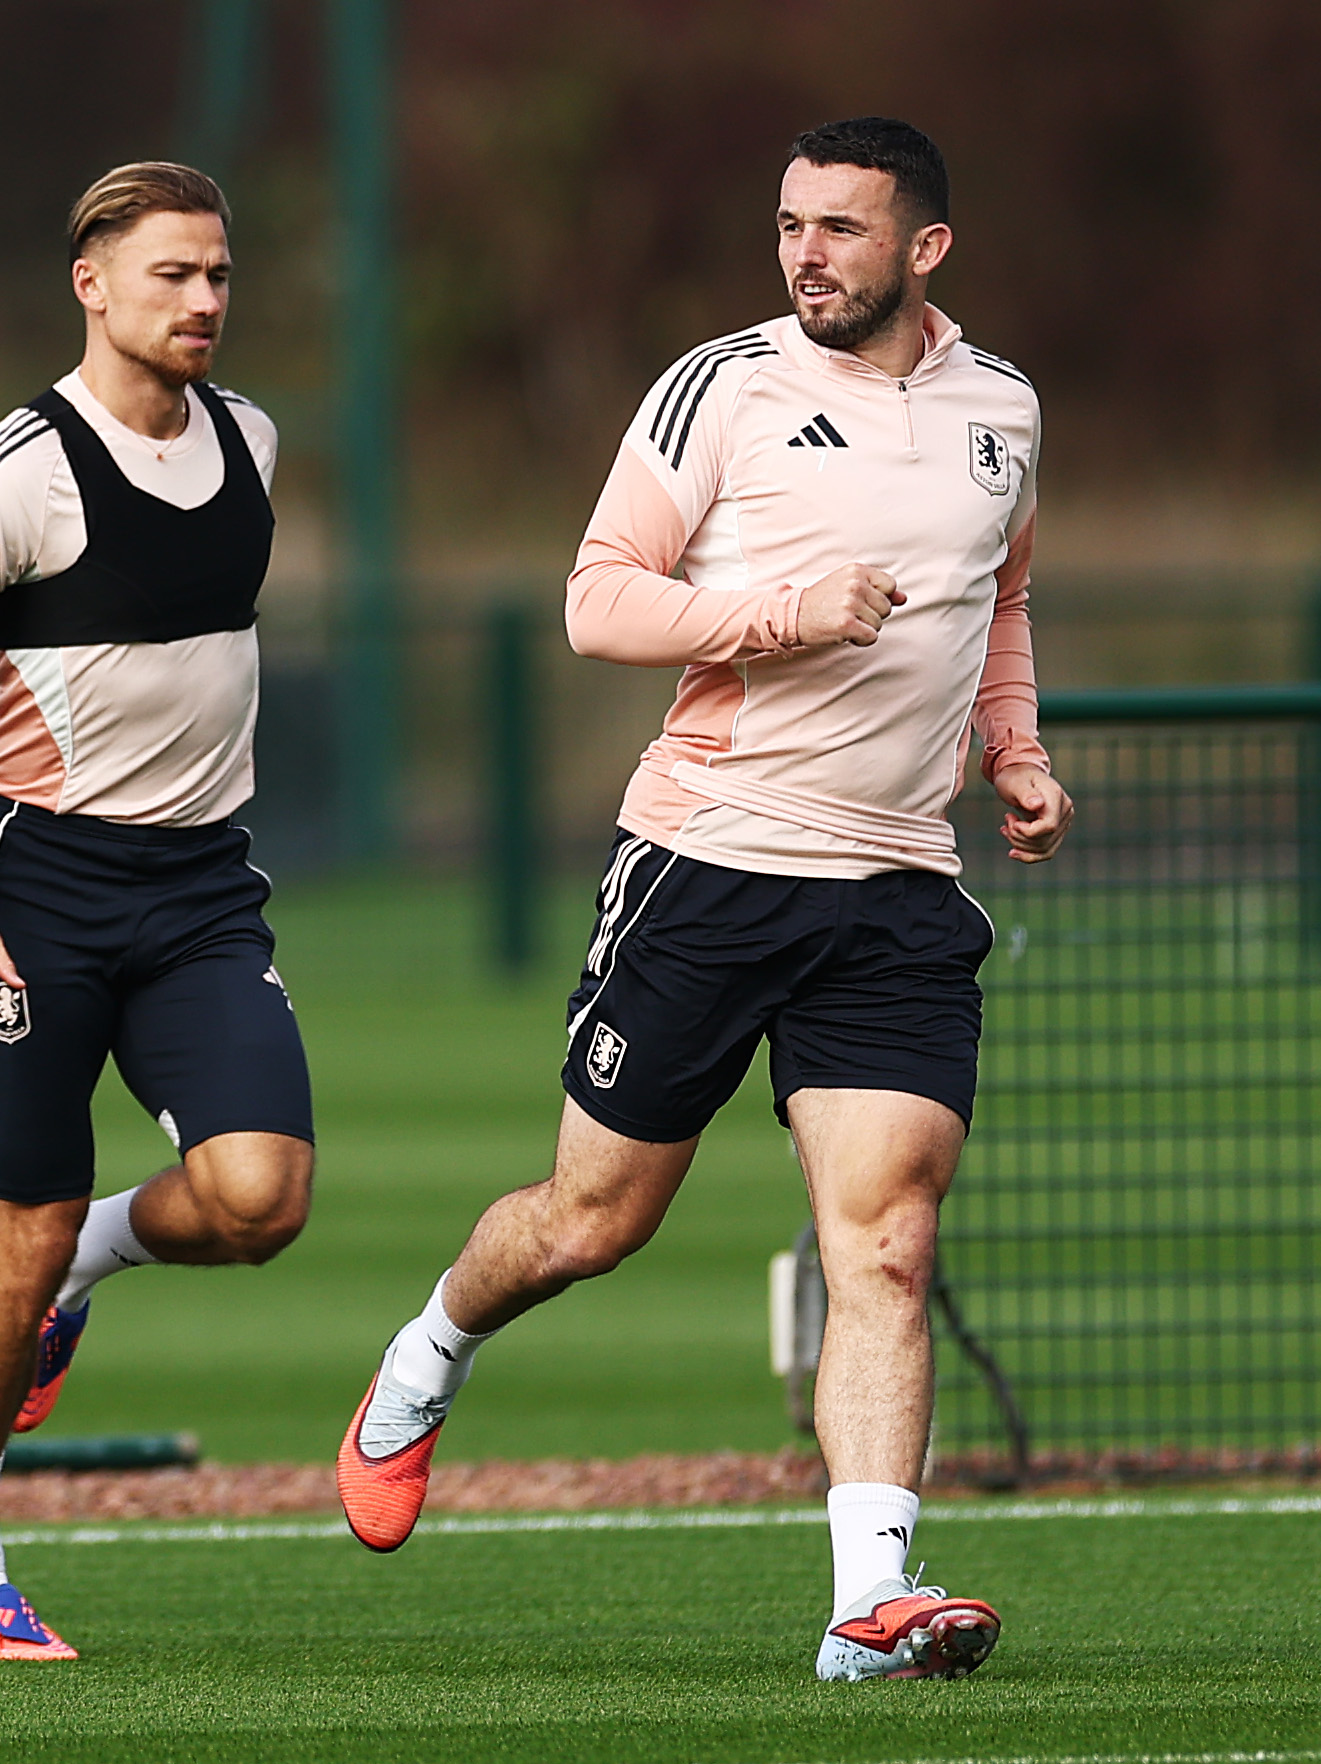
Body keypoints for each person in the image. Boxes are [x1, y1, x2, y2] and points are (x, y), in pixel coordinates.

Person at [334, 117, 1072, 1683]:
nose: (805, 251)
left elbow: (996, 601)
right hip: (712, 860)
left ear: (922, 249)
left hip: (894, 889)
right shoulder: (721, 385)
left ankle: (865, 1607)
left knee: (884, 1243)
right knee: (591, 1224)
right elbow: (596, 600)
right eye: (791, 223)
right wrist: (782, 614)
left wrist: (1011, 747)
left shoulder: (999, 406)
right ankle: (428, 1351)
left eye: (842, 229)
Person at [0, 161, 313, 1661]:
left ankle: (94, 1264)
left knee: (261, 1200)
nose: (202, 301)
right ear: (90, 284)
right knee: (13, 1233)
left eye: (220, 275)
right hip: (33, 890)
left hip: (198, 889)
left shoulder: (249, 440)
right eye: (171, 273)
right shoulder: (17, 472)